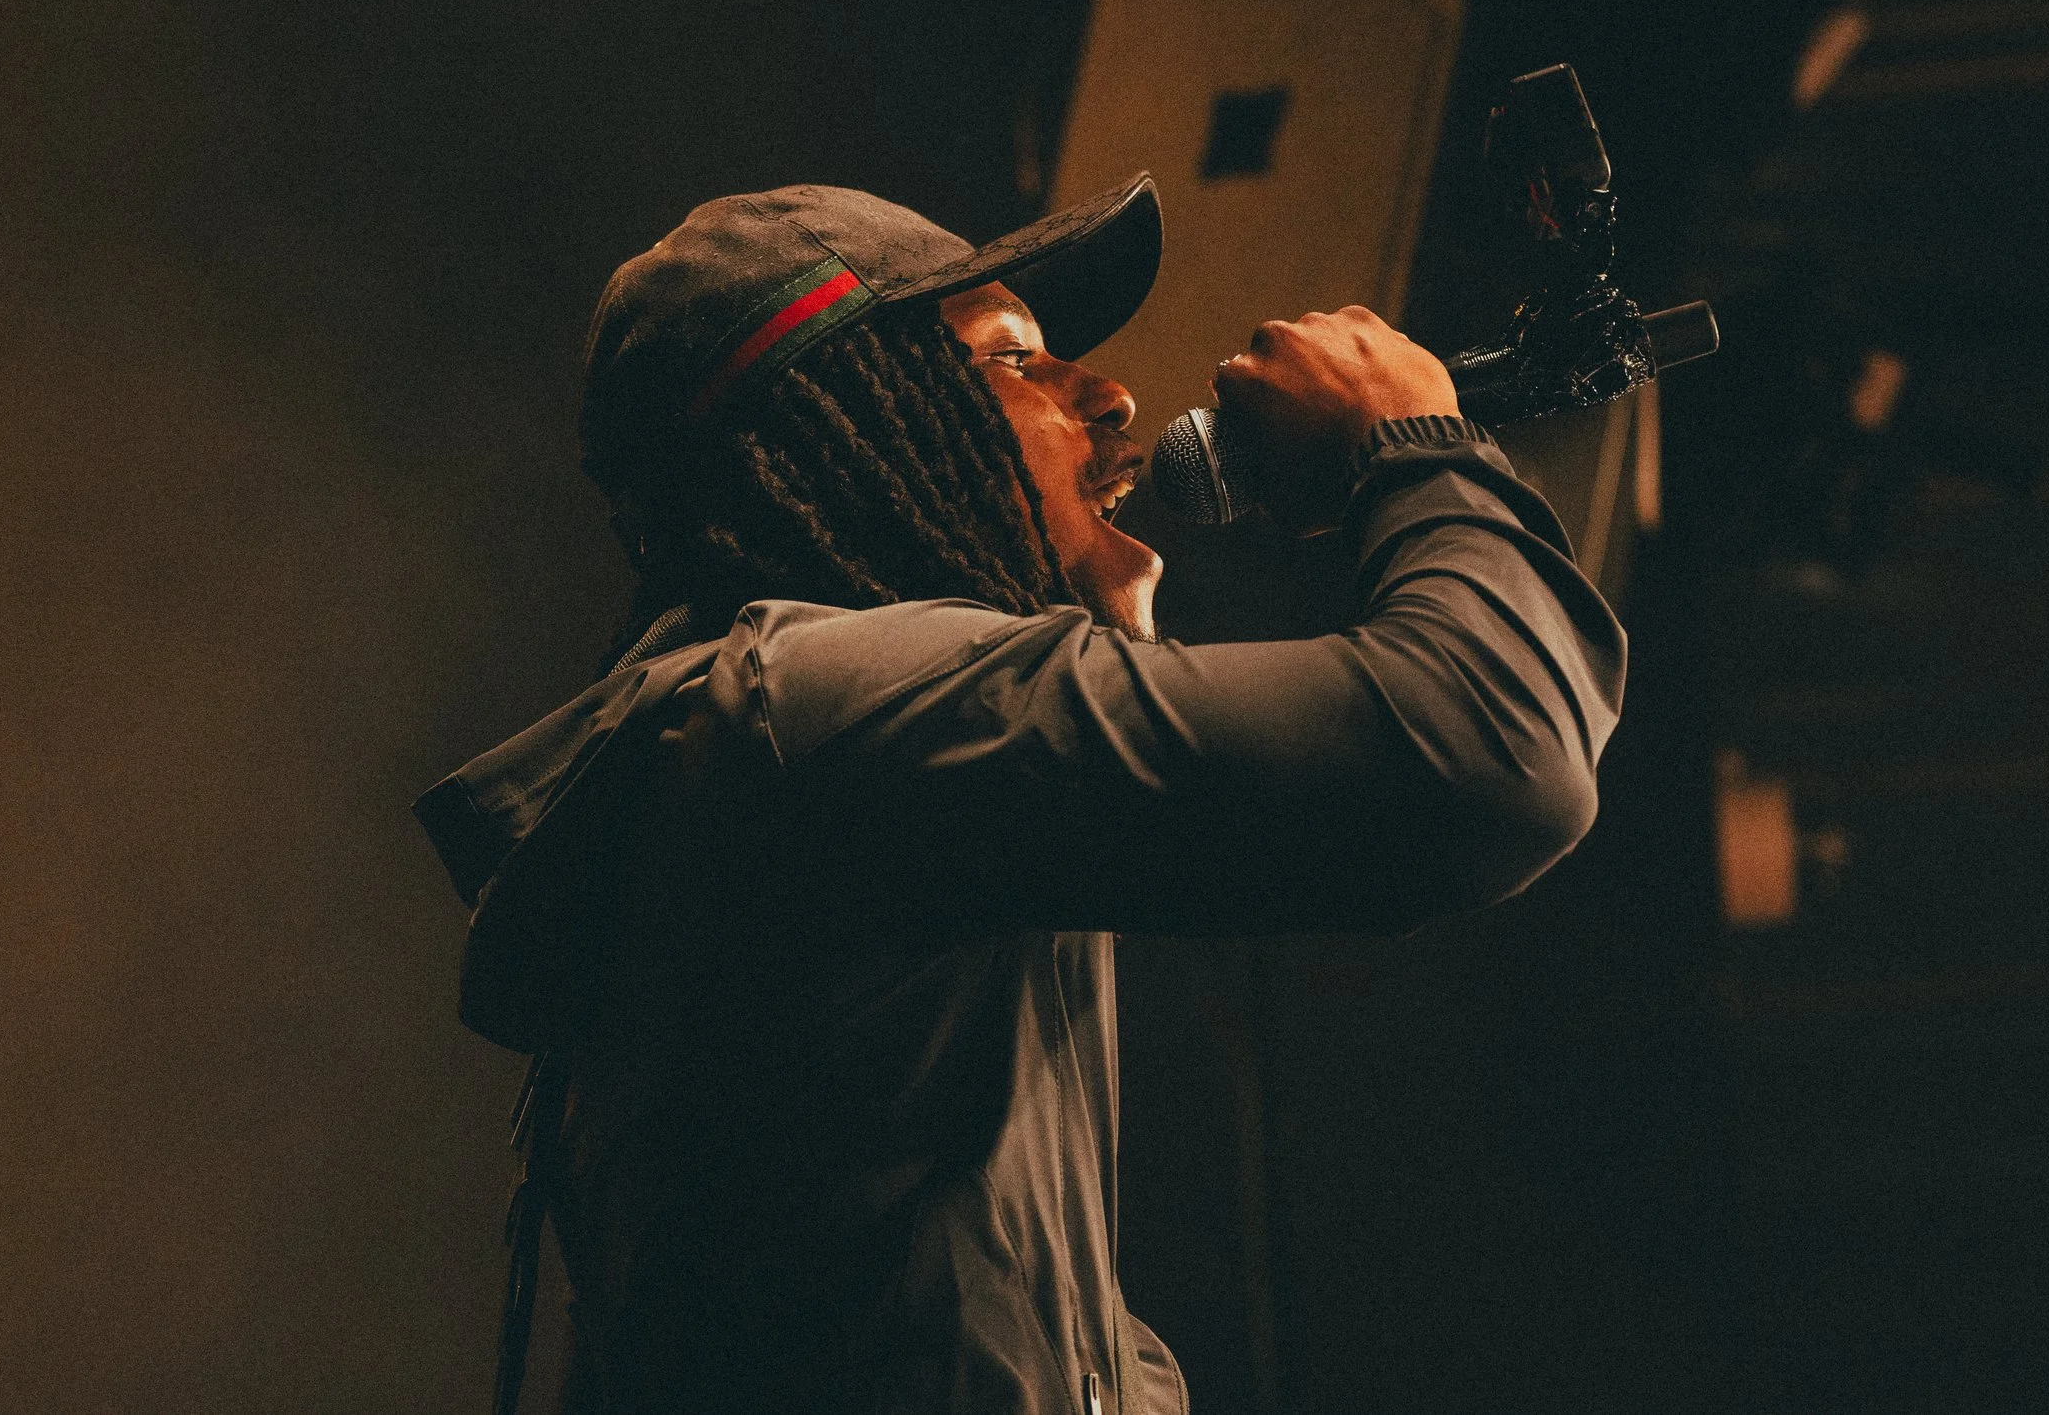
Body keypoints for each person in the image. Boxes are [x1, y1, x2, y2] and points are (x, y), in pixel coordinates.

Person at [415, 173, 1626, 1415]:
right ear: (857, 426)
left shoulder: (798, 746)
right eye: (1014, 360)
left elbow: (932, 1295)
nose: (1109, 394)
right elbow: (1494, 747)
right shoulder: (832, 708)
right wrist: (1406, 442)